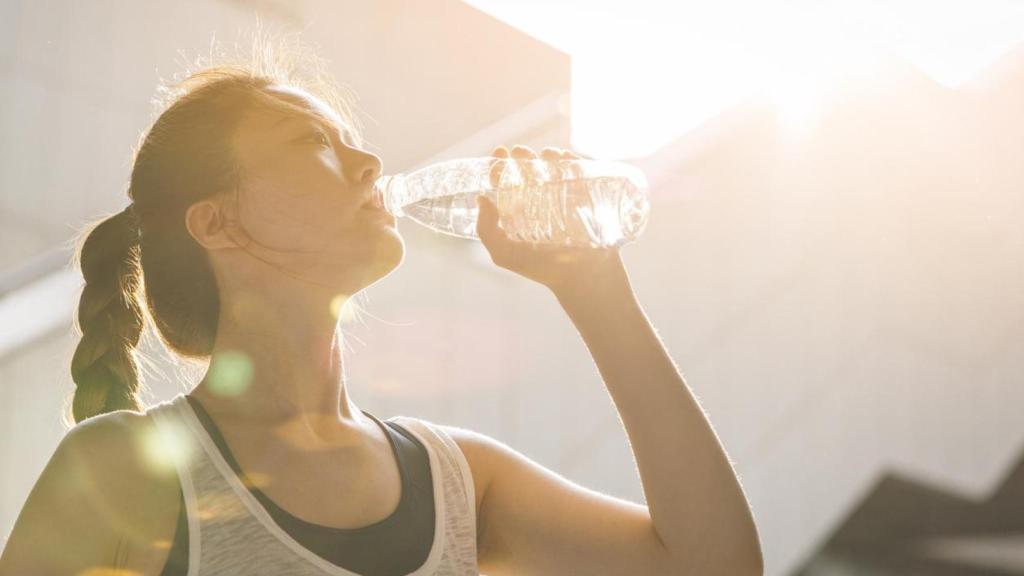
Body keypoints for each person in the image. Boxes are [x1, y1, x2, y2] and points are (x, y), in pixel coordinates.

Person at [0, 42, 762, 576]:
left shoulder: (456, 480)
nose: (369, 165)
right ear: (217, 223)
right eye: (314, 141)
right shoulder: (121, 472)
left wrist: (597, 294)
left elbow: (713, 565)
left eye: (355, 142)